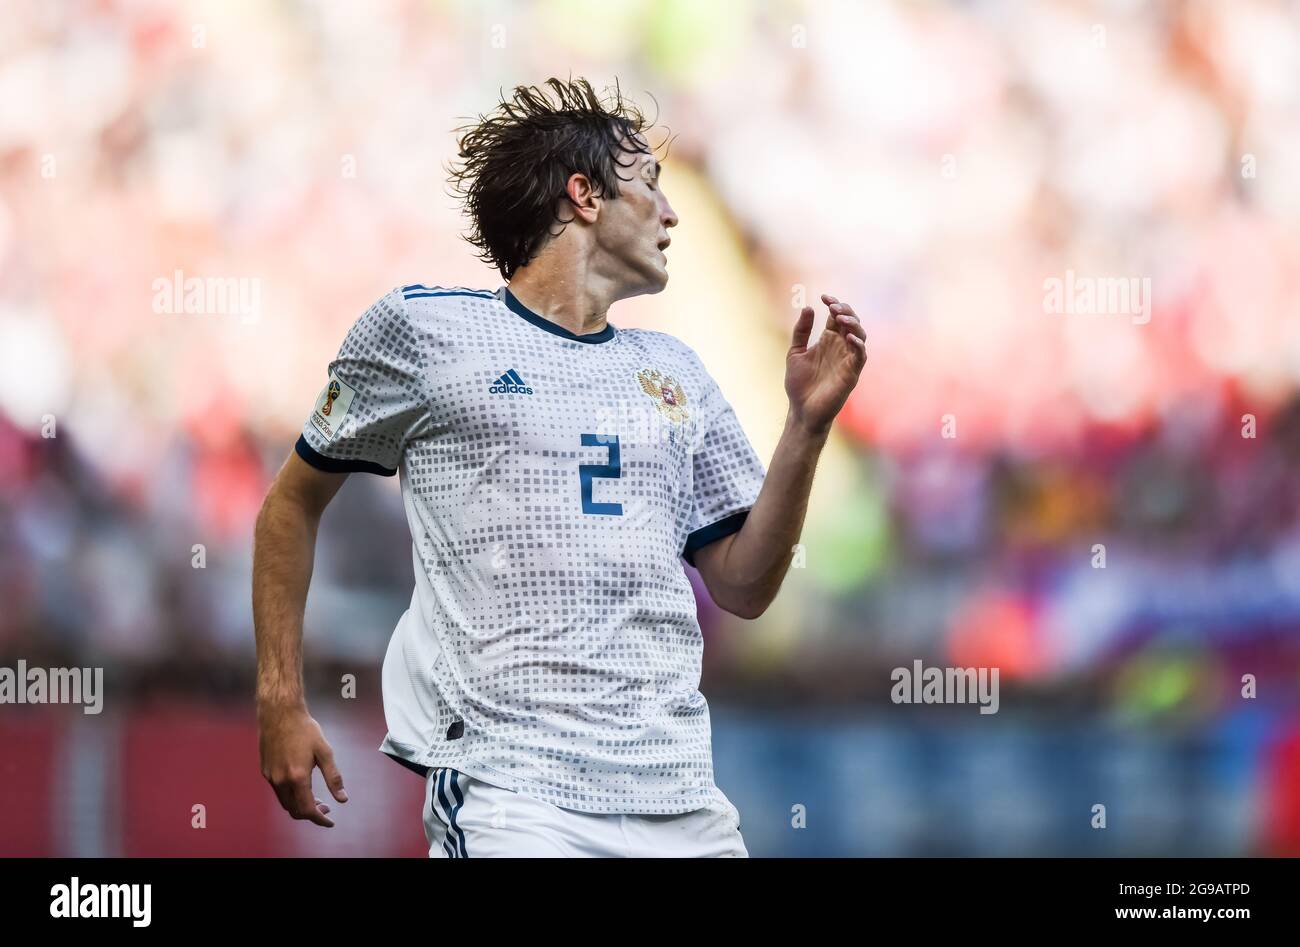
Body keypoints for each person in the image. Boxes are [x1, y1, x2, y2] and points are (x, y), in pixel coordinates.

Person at [252, 77, 867, 857]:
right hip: (519, 798)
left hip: (681, 797)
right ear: (584, 195)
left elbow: (744, 585)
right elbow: (290, 506)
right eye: (649, 184)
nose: (673, 213)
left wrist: (806, 429)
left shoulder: (675, 373)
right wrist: (279, 697)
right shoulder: (424, 330)